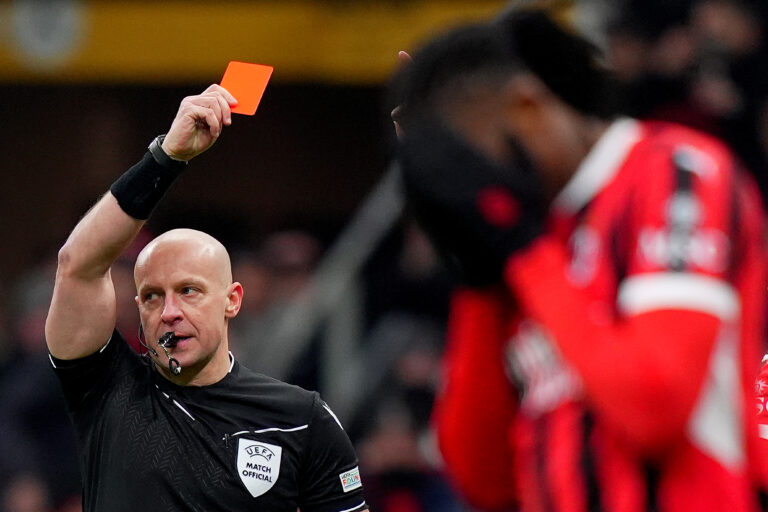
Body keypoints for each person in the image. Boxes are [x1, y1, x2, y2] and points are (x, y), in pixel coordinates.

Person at [393, 5, 768, 512]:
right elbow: (484, 479)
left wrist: (522, 250)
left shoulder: (674, 172)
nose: (478, 189)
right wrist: (478, 281)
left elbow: (654, 407)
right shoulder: (531, 240)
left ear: (527, 106)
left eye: (476, 163)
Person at [45, 84, 368, 512]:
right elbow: (77, 264)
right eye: (153, 297)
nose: (171, 312)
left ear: (232, 300)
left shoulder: (300, 418)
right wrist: (165, 158)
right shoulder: (107, 390)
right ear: (138, 308)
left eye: (189, 291)